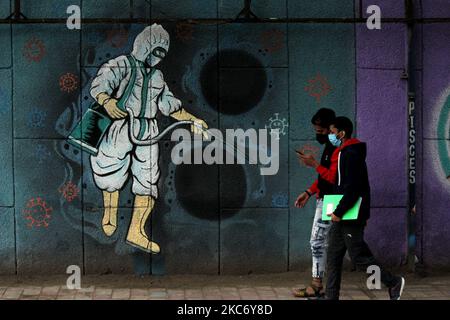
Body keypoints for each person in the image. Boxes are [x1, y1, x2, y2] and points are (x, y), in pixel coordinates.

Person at [89, 24, 208, 254]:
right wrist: (108, 102)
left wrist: (193, 120)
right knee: (109, 168)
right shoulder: (120, 65)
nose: (156, 59)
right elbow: (101, 86)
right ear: (144, 46)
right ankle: (110, 211)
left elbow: (169, 105)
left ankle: (136, 230)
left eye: (161, 55)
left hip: (147, 129)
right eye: (154, 52)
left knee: (148, 178)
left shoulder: (157, 77)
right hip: (120, 125)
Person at [324, 116, 405, 300]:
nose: (330, 135)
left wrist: (339, 211)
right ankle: (330, 296)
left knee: (359, 256)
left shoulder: (350, 154)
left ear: (342, 133)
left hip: (350, 215)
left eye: (332, 132)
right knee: (333, 257)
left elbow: (353, 189)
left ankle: (393, 282)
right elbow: (349, 186)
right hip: (344, 213)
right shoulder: (345, 152)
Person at [292, 108, 339, 298]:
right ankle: (390, 280)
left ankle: (317, 284)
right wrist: (309, 192)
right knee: (352, 245)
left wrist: (314, 165)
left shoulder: (337, 149)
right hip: (326, 199)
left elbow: (333, 177)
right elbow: (323, 178)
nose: (317, 135)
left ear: (330, 128)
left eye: (320, 131)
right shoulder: (329, 147)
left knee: (317, 241)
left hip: (331, 201)